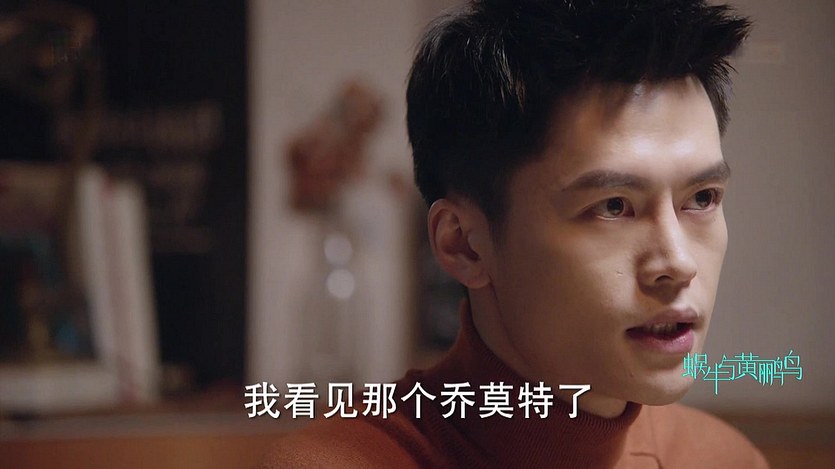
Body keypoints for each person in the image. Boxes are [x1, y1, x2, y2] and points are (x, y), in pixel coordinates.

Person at [262, 0, 769, 467]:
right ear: (463, 244)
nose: (678, 263)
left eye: (702, 198)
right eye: (613, 206)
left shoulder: (722, 458)